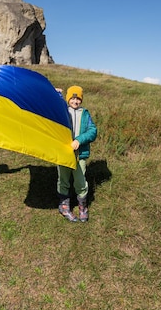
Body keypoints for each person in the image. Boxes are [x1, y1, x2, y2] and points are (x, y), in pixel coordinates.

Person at [56, 85, 97, 222]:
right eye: (72, 98)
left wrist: (79, 140)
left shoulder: (85, 113)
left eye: (78, 98)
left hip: (80, 154)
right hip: (64, 153)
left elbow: (93, 131)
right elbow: (54, 108)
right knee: (64, 179)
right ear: (68, 99)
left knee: (80, 181)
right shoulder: (62, 110)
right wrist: (57, 95)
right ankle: (64, 206)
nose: (75, 101)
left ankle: (82, 207)